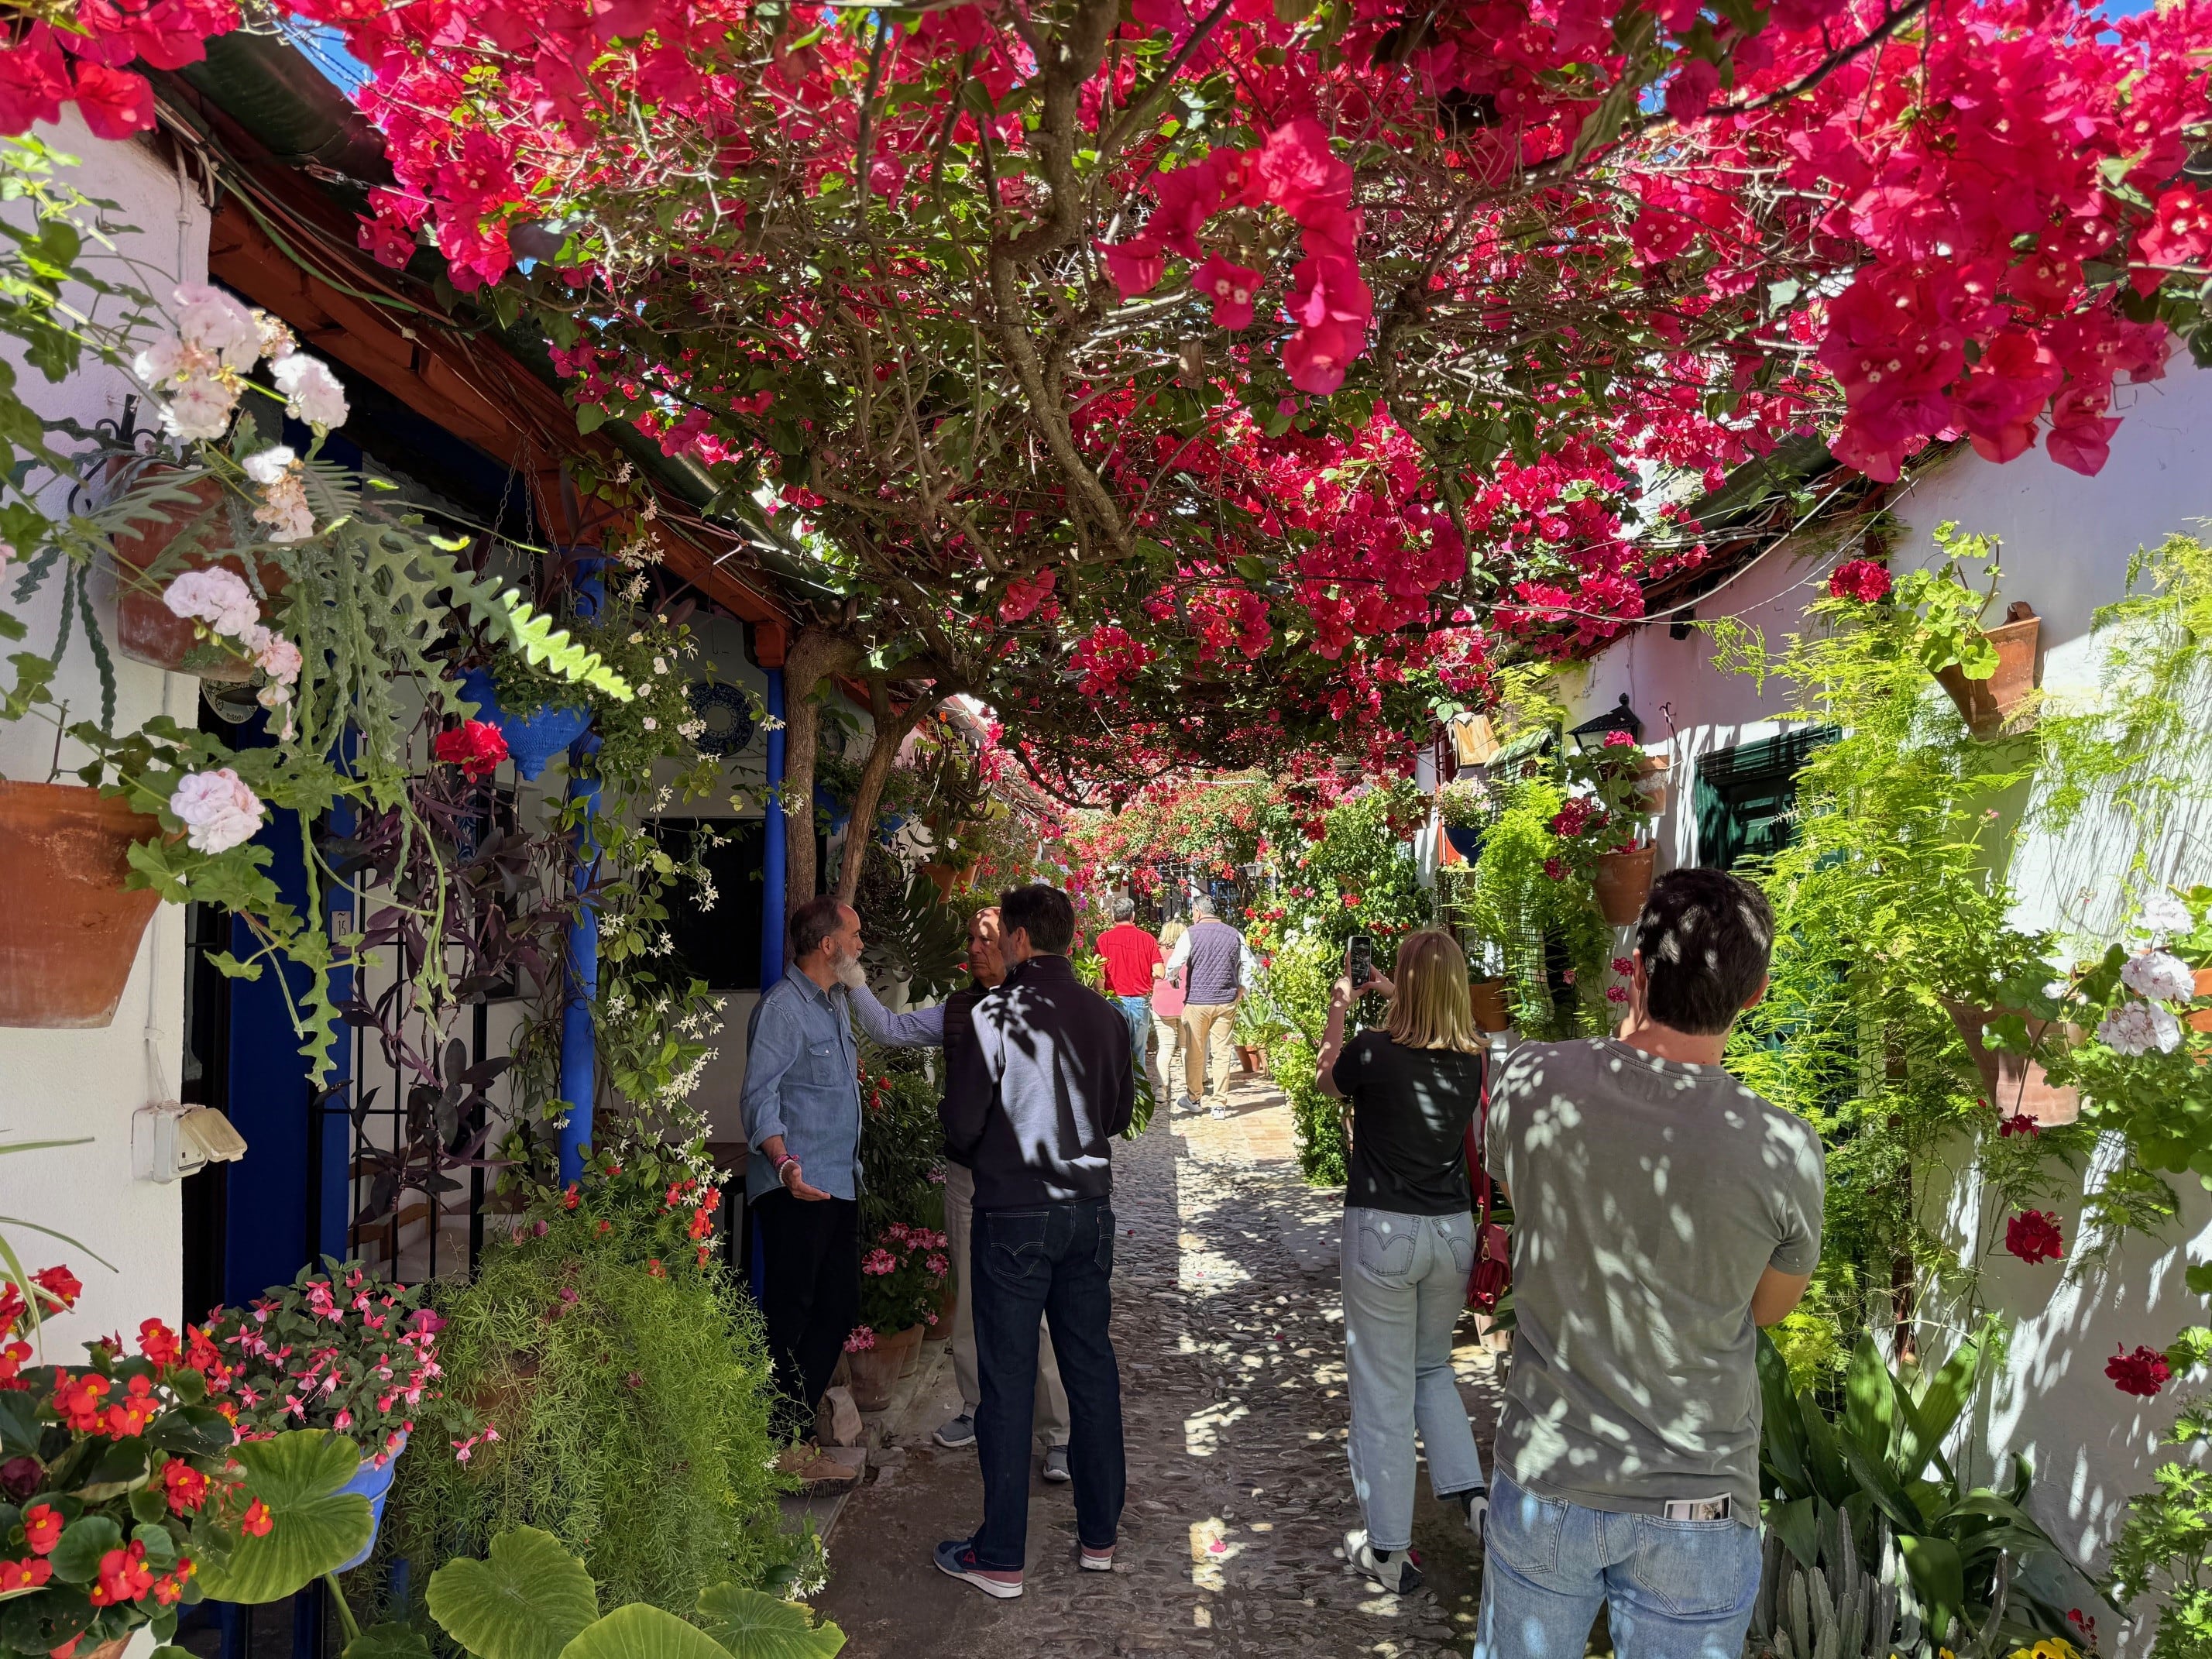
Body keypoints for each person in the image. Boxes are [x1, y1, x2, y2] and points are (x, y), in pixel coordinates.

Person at [1475, 867, 1826, 1659]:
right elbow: (1767, 1308)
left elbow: (1514, 1187)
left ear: (1635, 964)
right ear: (1756, 993)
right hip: (1698, 1501)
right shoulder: (1783, 1147)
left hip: (1550, 1477)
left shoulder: (1531, 1081)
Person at [934, 882, 1135, 1599]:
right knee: (1091, 1370)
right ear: (1071, 939)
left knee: (1009, 1379)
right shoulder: (1110, 1019)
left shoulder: (994, 1015)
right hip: (1088, 1209)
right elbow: (1116, 1115)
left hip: (1015, 1211)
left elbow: (959, 1126)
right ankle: (1099, 1537)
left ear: (1018, 940)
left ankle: (1002, 1555)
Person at [1313, 929, 1492, 1595]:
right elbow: (1448, 1024)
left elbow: (1329, 1083)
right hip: (1450, 1233)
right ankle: (1472, 1498)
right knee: (1432, 1368)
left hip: (1384, 1231)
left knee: (1382, 1391)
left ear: (1405, 982)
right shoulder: (1472, 1058)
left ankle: (1388, 1552)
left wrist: (1342, 1003)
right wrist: (1404, 991)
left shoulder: (1374, 1051)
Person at [740, 895, 939, 1486]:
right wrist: (784, 1166)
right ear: (827, 944)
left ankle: (789, 1432)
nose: (860, 944)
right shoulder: (782, 1008)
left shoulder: (834, 1004)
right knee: (791, 1311)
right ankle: (779, 1444)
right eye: (853, 935)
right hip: (796, 1187)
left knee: (837, 1307)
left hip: (837, 1181)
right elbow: (758, 1096)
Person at [929, 906, 1075, 1482]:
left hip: (1024, 1178)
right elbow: (892, 1030)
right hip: (969, 1176)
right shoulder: (960, 1009)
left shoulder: (1039, 1005)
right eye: (970, 938)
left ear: (1015, 944)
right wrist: (853, 981)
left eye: (985, 939)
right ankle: (976, 1405)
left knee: (1033, 1308)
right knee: (969, 1299)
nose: (975, 948)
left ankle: (1057, 1432)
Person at [1163, 896, 1256, 1118]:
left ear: (1197, 911)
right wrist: (1241, 990)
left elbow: (1174, 964)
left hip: (1198, 1001)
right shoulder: (1234, 934)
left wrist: (1172, 978)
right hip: (1226, 1000)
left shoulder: (1190, 934)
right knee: (1222, 1053)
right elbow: (1250, 965)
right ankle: (1219, 1105)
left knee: (1195, 1051)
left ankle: (1194, 1098)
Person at [1095, 896, 1163, 1077]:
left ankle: (1117, 1098)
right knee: (1138, 1055)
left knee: (1115, 1052)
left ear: (1113, 916)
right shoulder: (1147, 939)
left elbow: (1099, 973)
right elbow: (1159, 971)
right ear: (1133, 916)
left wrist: (1102, 996)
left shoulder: (1104, 940)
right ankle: (1138, 1099)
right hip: (1139, 1001)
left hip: (1115, 1000)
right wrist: (1148, 977)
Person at [1149, 919, 1190, 1106]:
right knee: (1185, 1047)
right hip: (1185, 1005)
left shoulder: (1157, 953)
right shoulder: (1188, 954)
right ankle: (1191, 1087)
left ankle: (1162, 1089)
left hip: (1162, 1004)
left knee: (1165, 1047)